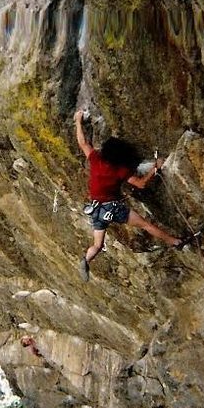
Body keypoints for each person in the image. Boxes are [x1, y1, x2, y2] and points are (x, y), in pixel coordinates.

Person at [74, 110, 181, 282]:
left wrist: (78, 121)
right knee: (145, 225)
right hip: (112, 208)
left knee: (97, 245)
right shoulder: (119, 170)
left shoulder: (95, 160)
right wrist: (156, 168)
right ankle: (175, 242)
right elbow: (140, 184)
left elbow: (82, 142)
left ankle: (86, 259)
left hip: (96, 209)